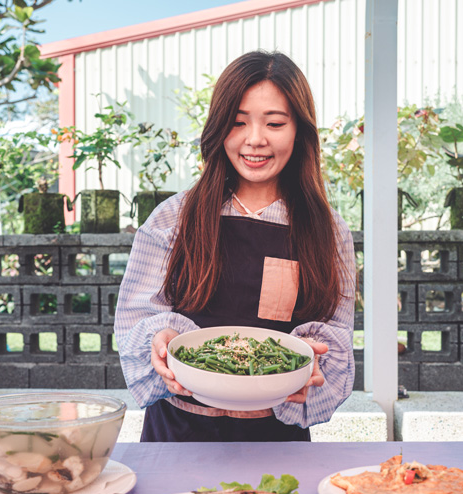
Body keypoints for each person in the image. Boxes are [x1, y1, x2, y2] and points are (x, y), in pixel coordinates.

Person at [114, 50, 356, 442]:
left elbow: (335, 333)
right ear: (218, 127)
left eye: (275, 123)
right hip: (178, 433)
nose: (255, 140)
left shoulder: (327, 231)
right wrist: (156, 339)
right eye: (238, 122)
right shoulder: (172, 218)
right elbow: (136, 317)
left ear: (299, 131)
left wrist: (313, 361)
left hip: (277, 439)